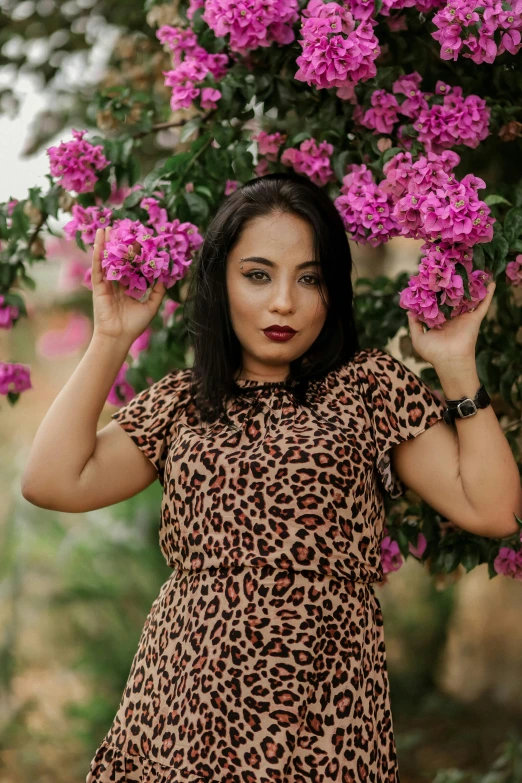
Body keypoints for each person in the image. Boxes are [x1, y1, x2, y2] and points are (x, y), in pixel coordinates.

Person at [22, 172, 456, 782]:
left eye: (309, 278)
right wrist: (112, 338)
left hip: (325, 713)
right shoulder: (185, 401)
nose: (284, 301)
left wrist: (458, 369)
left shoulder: (369, 387)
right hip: (184, 706)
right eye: (257, 275)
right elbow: (50, 481)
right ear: (220, 283)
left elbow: (491, 509)